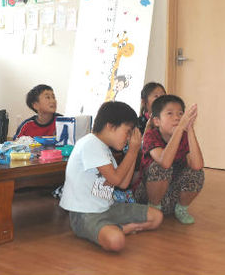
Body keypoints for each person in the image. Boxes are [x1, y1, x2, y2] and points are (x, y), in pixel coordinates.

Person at [59, 101, 162, 252]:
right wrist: (132, 151)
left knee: (157, 217)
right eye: (127, 131)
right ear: (110, 126)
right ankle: (123, 229)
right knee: (116, 241)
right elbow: (115, 179)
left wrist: (131, 153)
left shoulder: (104, 149)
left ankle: (118, 228)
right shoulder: (90, 143)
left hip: (107, 208)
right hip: (85, 214)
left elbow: (123, 183)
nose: (128, 138)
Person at [133, 95, 204, 224]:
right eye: (170, 113)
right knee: (160, 168)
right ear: (156, 121)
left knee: (197, 173)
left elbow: (197, 165)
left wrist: (189, 129)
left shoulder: (184, 136)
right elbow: (164, 162)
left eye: (180, 114)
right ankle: (153, 209)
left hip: (170, 196)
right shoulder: (151, 135)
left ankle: (181, 209)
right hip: (147, 196)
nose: (177, 117)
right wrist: (180, 129)